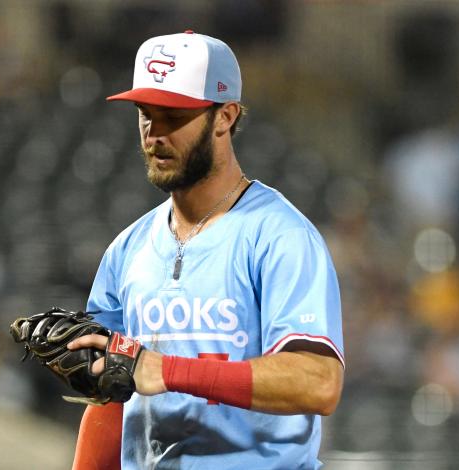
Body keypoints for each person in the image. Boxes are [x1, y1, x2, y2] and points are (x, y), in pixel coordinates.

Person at [68, 30, 345, 470]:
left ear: (225, 116)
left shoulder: (280, 236)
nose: (154, 134)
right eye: (145, 114)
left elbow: (318, 382)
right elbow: (110, 399)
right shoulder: (127, 249)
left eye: (172, 115)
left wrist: (169, 371)